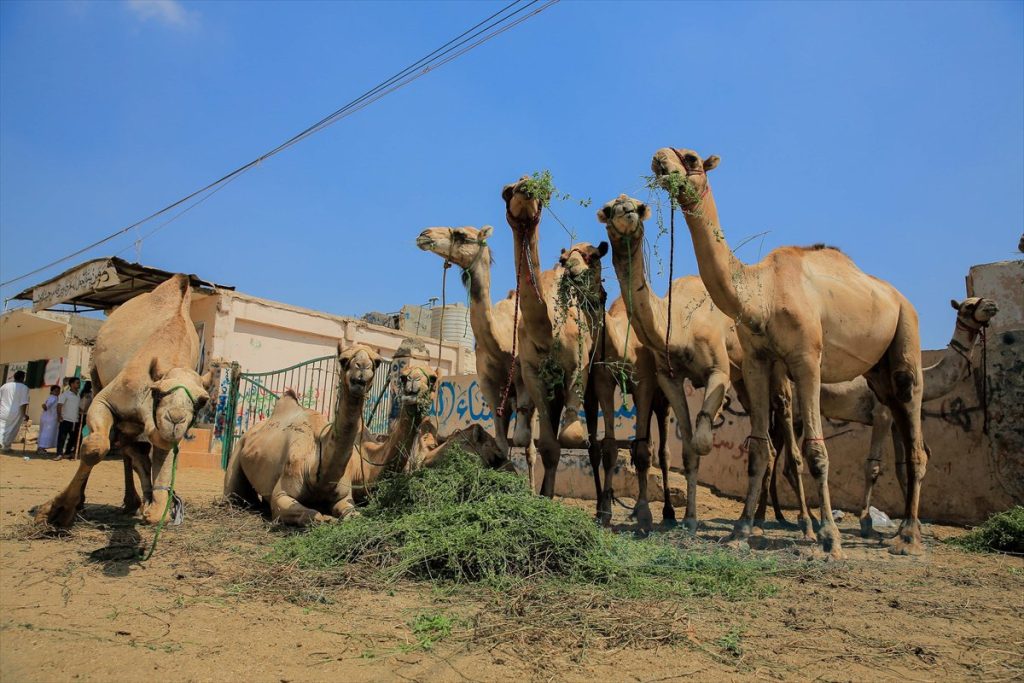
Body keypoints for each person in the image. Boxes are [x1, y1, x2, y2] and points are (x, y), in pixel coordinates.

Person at [0, 370, 30, 452]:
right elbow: (24, 403)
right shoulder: (24, 388)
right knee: (12, 429)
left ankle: (3, 444)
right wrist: (24, 414)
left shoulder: (5, 386)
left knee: (1, 427)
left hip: (3, 410)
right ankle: (5, 446)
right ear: (22, 378)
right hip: (16, 412)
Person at [55, 377, 81, 460]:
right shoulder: (65, 394)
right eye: (77, 383)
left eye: (78, 383)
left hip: (75, 421)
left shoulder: (78, 395)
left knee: (73, 438)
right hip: (65, 419)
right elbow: (59, 405)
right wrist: (59, 416)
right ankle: (59, 454)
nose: (78, 384)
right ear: (72, 384)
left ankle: (67, 453)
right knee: (62, 438)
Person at [37, 385, 61, 453]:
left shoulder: (52, 397)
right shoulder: (53, 398)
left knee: (44, 432)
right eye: (56, 391)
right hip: (50, 419)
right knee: (46, 433)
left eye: (58, 391)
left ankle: (41, 447)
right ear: (52, 391)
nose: (57, 392)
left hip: (47, 417)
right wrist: (44, 406)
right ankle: (41, 448)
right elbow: (46, 407)